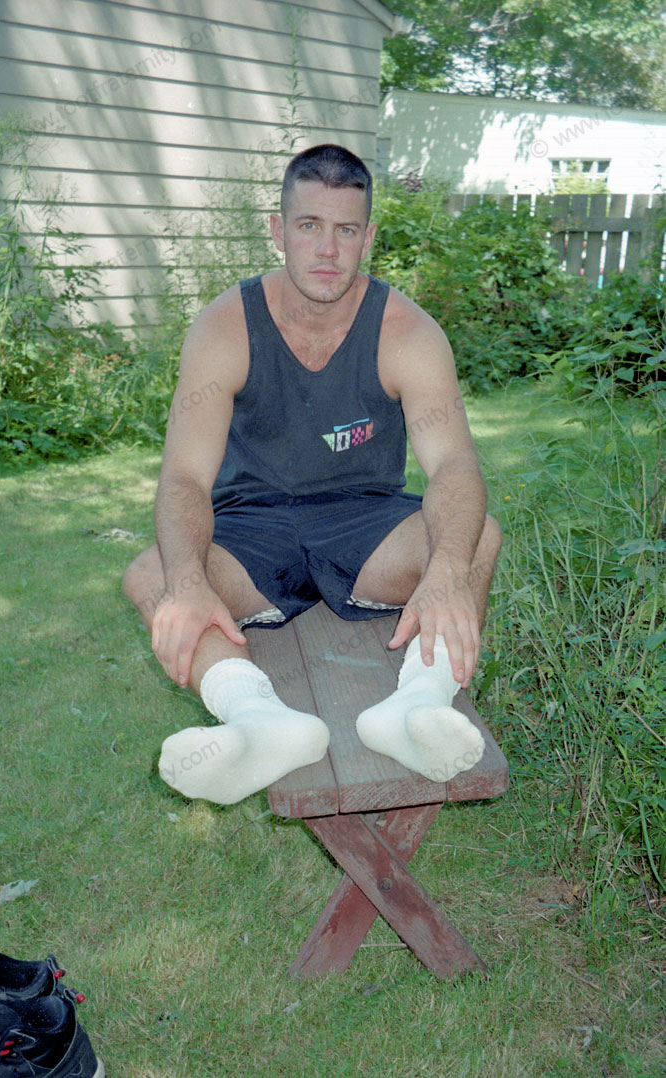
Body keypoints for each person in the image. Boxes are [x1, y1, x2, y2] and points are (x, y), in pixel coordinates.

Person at [123, 144, 502, 805]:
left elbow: (454, 465)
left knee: (477, 539)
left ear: (368, 238)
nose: (327, 250)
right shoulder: (224, 326)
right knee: (153, 574)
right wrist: (188, 581)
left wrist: (445, 571)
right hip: (251, 530)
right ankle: (257, 720)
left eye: (346, 230)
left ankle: (417, 706)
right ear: (278, 230)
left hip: (365, 526)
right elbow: (184, 477)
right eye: (309, 226)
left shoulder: (407, 332)